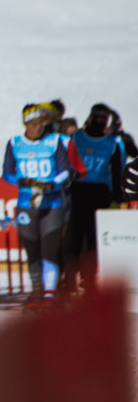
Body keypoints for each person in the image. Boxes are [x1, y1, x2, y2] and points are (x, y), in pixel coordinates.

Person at [6, 102, 76, 301]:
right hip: (27, 205)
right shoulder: (14, 143)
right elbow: (6, 174)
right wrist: (22, 181)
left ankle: (49, 294)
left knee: (50, 251)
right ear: (26, 124)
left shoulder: (54, 142)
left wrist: (51, 185)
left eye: (41, 123)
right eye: (34, 124)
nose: (39, 127)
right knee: (33, 251)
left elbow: (65, 171)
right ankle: (37, 290)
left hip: (52, 204)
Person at [64, 105, 125, 290]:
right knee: (74, 237)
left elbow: (117, 171)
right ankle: (69, 280)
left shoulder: (113, 143)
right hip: (77, 191)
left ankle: (89, 279)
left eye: (102, 118)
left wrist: (118, 197)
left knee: (93, 240)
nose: (98, 121)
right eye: (96, 117)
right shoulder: (76, 138)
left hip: (100, 193)